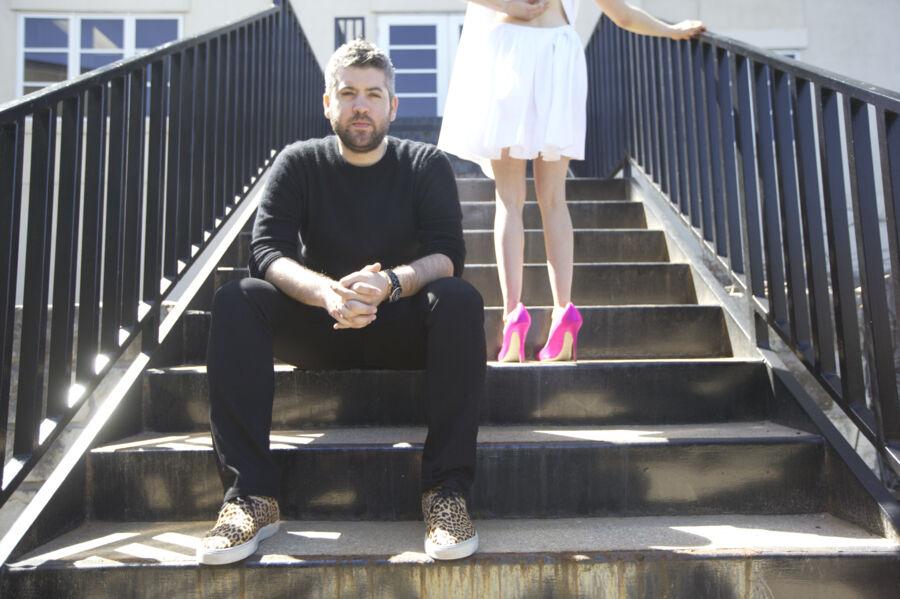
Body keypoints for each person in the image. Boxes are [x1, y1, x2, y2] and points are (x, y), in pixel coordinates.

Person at [198, 39, 486, 565]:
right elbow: (265, 251)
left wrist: (392, 284)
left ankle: (446, 494)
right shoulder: (298, 163)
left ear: (392, 107)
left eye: (373, 94)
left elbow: (449, 254)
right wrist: (327, 293)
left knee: (460, 299)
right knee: (239, 299)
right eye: (348, 93)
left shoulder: (426, 165)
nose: (360, 105)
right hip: (319, 329)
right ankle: (251, 499)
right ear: (327, 102)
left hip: (402, 327)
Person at [438, 0, 704, 362]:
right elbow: (623, 15)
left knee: (509, 201)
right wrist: (673, 30)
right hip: (558, 52)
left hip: (509, 50)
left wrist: (510, 5)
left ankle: (513, 315)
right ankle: (564, 311)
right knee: (554, 200)